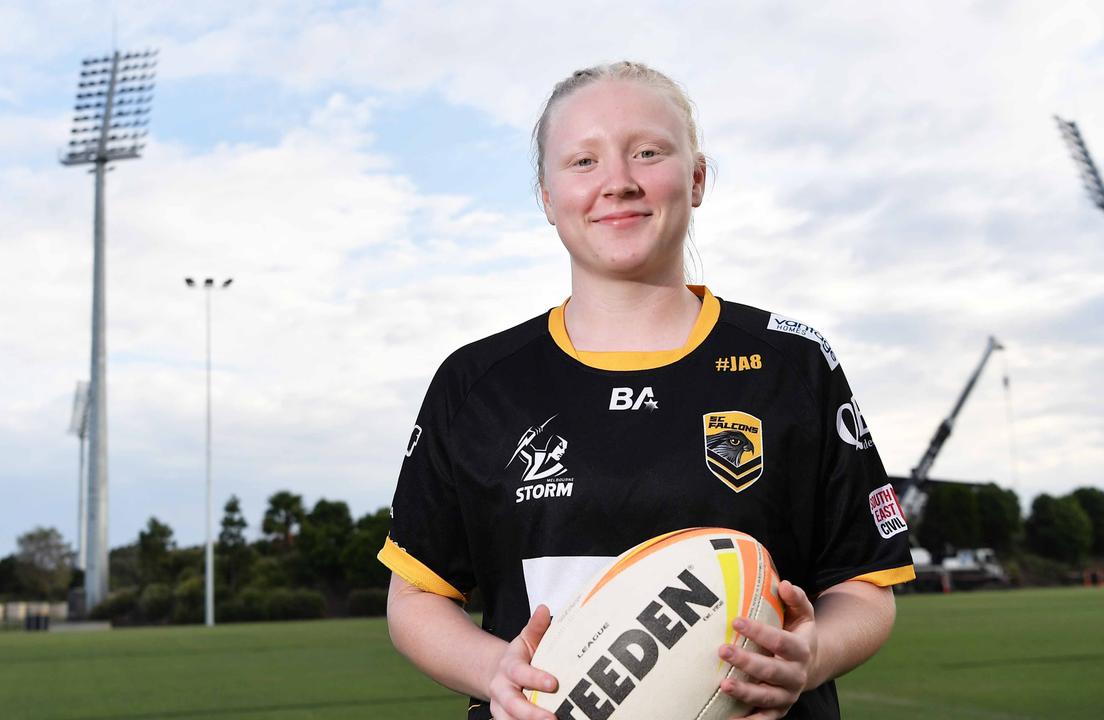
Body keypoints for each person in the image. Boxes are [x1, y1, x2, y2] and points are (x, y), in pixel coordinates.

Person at [379, 61, 915, 720]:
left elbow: (864, 585)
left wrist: (812, 654)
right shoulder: (477, 383)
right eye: (583, 161)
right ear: (546, 196)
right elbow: (415, 601)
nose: (618, 183)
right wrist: (497, 669)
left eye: (647, 152)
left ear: (696, 179)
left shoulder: (794, 365)